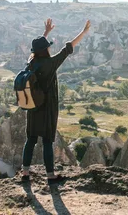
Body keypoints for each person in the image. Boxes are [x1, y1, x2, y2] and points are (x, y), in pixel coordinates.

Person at [21, 18, 91, 185]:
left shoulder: (32, 62)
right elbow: (68, 47)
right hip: (47, 108)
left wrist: (46, 33)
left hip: (32, 106)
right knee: (46, 141)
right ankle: (50, 175)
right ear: (46, 50)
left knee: (30, 139)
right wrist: (84, 32)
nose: (50, 47)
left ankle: (25, 173)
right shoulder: (50, 64)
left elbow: (36, 49)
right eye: (48, 46)